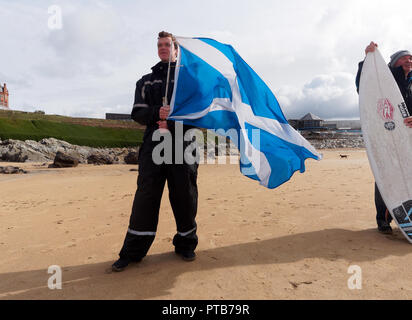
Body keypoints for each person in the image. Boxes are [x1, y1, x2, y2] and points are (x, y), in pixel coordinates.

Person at [111, 31, 199, 272]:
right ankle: (132, 252)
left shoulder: (190, 80)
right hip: (154, 143)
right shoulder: (145, 81)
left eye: (167, 44)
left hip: (184, 142)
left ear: (176, 49)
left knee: (184, 194)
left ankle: (186, 244)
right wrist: (156, 115)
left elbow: (201, 114)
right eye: (159, 44)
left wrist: (171, 121)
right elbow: (137, 113)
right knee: (146, 195)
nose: (162, 48)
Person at [355, 41, 412, 234]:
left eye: (411, 58)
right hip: (385, 138)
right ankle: (384, 219)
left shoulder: (411, 84)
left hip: (407, 138)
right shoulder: (383, 81)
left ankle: (407, 216)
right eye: (404, 58)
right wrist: (367, 61)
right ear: (395, 62)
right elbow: (364, 88)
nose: (409, 60)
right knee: (386, 176)